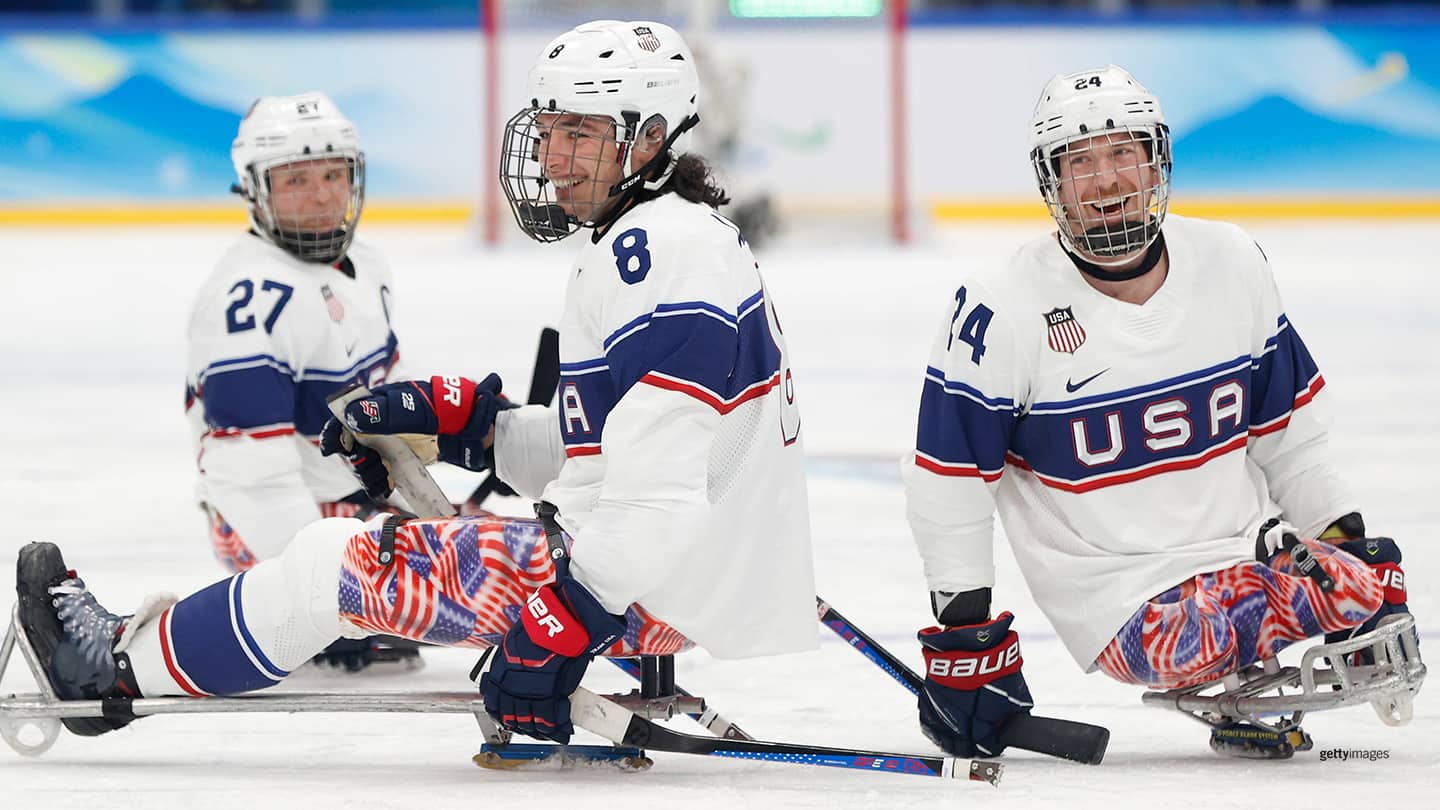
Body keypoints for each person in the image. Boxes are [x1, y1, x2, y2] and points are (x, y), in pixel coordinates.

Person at [15, 20, 816, 745]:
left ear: (645, 139)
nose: (550, 156)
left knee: (329, 561)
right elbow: (610, 459)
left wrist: (564, 620)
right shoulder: (665, 238)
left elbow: (656, 500)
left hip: (647, 584)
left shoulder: (660, 258)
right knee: (373, 543)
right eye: (549, 130)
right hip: (671, 571)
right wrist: (487, 428)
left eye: (579, 133)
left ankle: (111, 671)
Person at [902, 65, 1412, 760]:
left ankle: (1256, 649)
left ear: (1156, 161)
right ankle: (1251, 635)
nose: (1105, 180)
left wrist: (1347, 546)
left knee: (1373, 574)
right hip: (1129, 608)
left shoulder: (1232, 261)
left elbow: (1291, 440)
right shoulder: (1000, 306)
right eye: (1079, 161)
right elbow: (950, 482)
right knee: (1226, 622)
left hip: (1244, 562)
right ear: (1052, 183)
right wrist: (965, 640)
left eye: (1121, 154)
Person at [184, 92, 413, 671]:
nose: (322, 196)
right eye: (296, 180)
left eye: (335, 174)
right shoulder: (251, 299)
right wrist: (323, 596)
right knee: (486, 575)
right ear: (255, 190)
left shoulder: (368, 264)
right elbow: (248, 478)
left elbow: (391, 398)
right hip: (277, 525)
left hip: (355, 498)